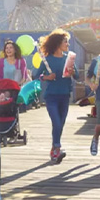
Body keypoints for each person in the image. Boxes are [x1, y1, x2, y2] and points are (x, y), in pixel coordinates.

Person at [33, 29, 79, 163]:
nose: (68, 45)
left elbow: (77, 75)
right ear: (58, 43)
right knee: (56, 122)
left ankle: (54, 149)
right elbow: (36, 75)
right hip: (51, 96)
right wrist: (47, 77)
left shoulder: (69, 58)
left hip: (65, 96)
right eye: (66, 42)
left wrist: (72, 73)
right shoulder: (47, 60)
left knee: (61, 124)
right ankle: (57, 149)